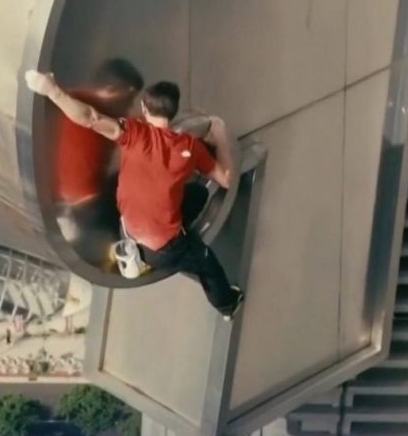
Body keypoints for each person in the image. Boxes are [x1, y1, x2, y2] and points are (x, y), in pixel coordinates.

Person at [25, 71, 244, 320]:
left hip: (128, 231)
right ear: (173, 111)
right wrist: (219, 132)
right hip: (163, 249)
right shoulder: (189, 147)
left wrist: (52, 90)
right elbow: (225, 178)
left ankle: (151, 250)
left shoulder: (133, 133)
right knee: (207, 264)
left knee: (196, 194)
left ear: (144, 108)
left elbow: (90, 117)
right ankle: (228, 305)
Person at [47, 59, 145, 265]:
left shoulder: (82, 102)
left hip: (76, 205)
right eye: (128, 99)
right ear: (111, 90)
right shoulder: (90, 112)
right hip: (89, 209)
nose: (129, 107)